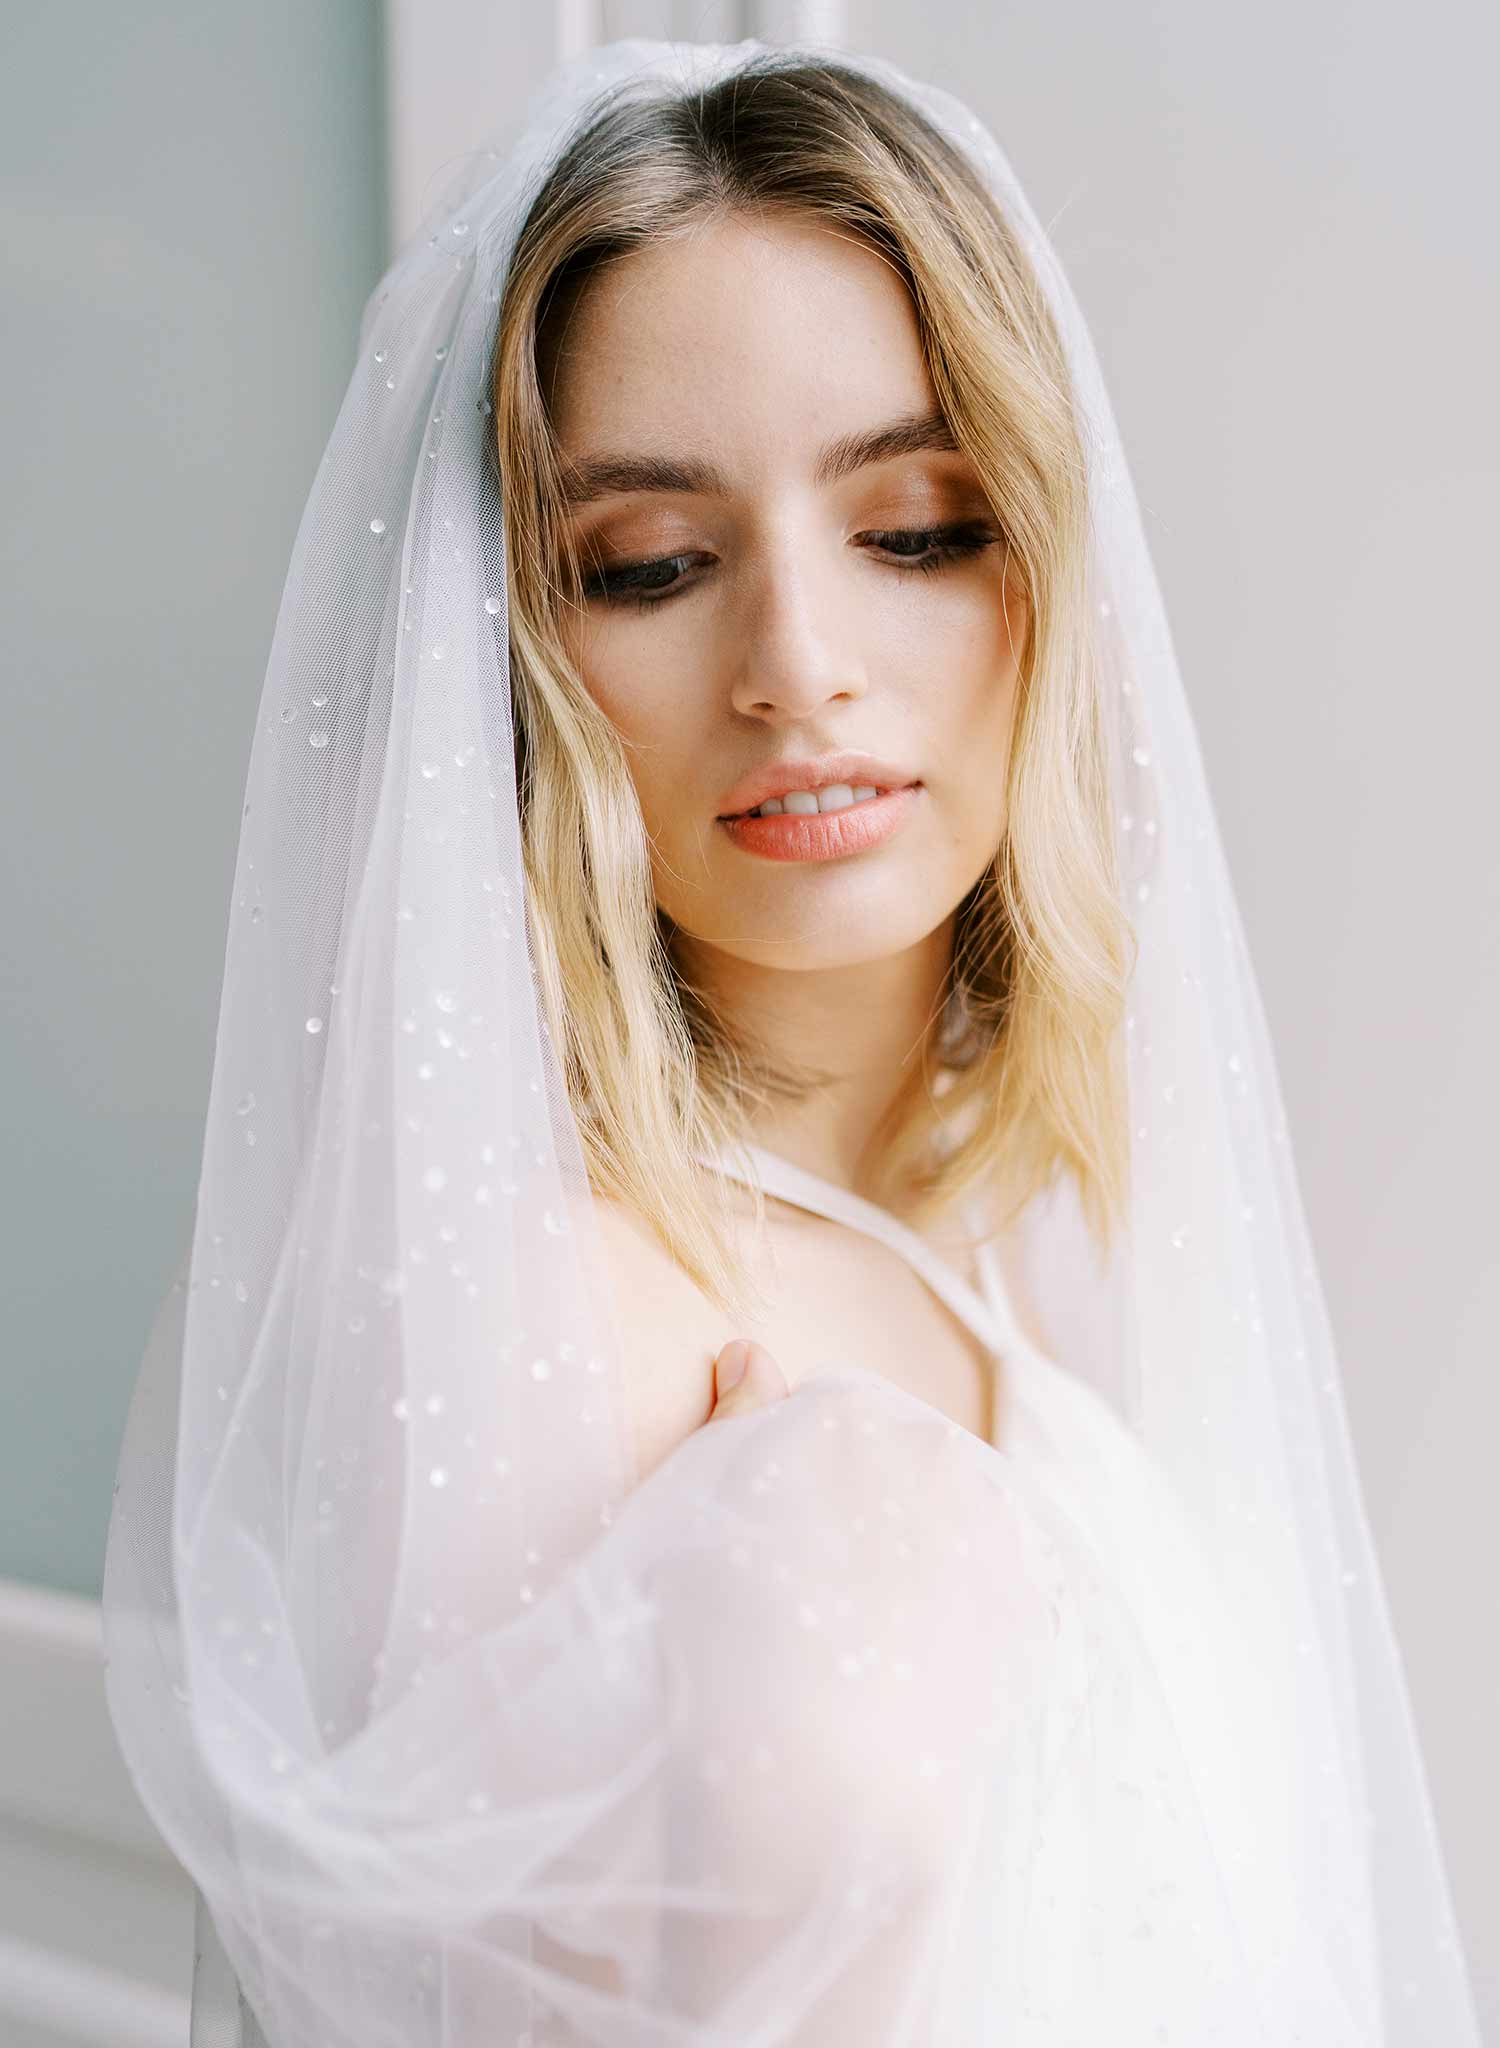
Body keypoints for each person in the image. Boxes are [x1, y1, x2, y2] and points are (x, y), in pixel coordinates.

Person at [102, 36, 1483, 2046]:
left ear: (1051, 564)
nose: (798, 666)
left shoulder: (1010, 1222)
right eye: (651, 566)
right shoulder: (539, 1311)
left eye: (914, 528)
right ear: (511, 655)